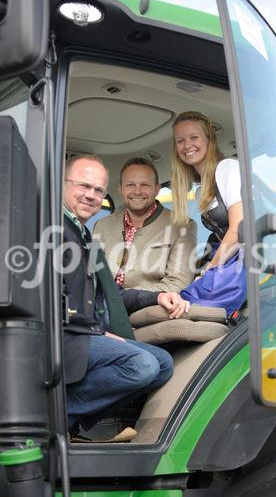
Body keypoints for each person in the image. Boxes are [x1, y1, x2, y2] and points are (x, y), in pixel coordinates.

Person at [63, 154, 189, 441]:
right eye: (83, 186)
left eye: (98, 190)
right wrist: (99, 332)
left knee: (163, 365)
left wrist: (155, 299)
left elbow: (109, 293)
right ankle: (55, 413)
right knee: (141, 365)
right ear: (63, 185)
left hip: (91, 328)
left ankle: (71, 419)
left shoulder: (82, 234)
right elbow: (55, 298)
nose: (91, 195)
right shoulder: (57, 231)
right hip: (67, 334)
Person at [170, 111, 246, 313]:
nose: (187, 146)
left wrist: (209, 269)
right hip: (229, 259)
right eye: (180, 141)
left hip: (246, 260)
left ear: (209, 139)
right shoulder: (201, 189)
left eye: (194, 137)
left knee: (189, 301)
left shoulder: (227, 168)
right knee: (182, 298)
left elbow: (239, 231)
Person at [93, 157, 197, 292]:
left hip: (148, 308)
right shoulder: (102, 226)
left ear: (157, 189)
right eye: (130, 185)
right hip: (103, 308)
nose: (137, 191)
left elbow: (177, 284)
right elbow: (91, 276)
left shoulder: (182, 226)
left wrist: (128, 298)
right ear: (120, 189)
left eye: (145, 185)